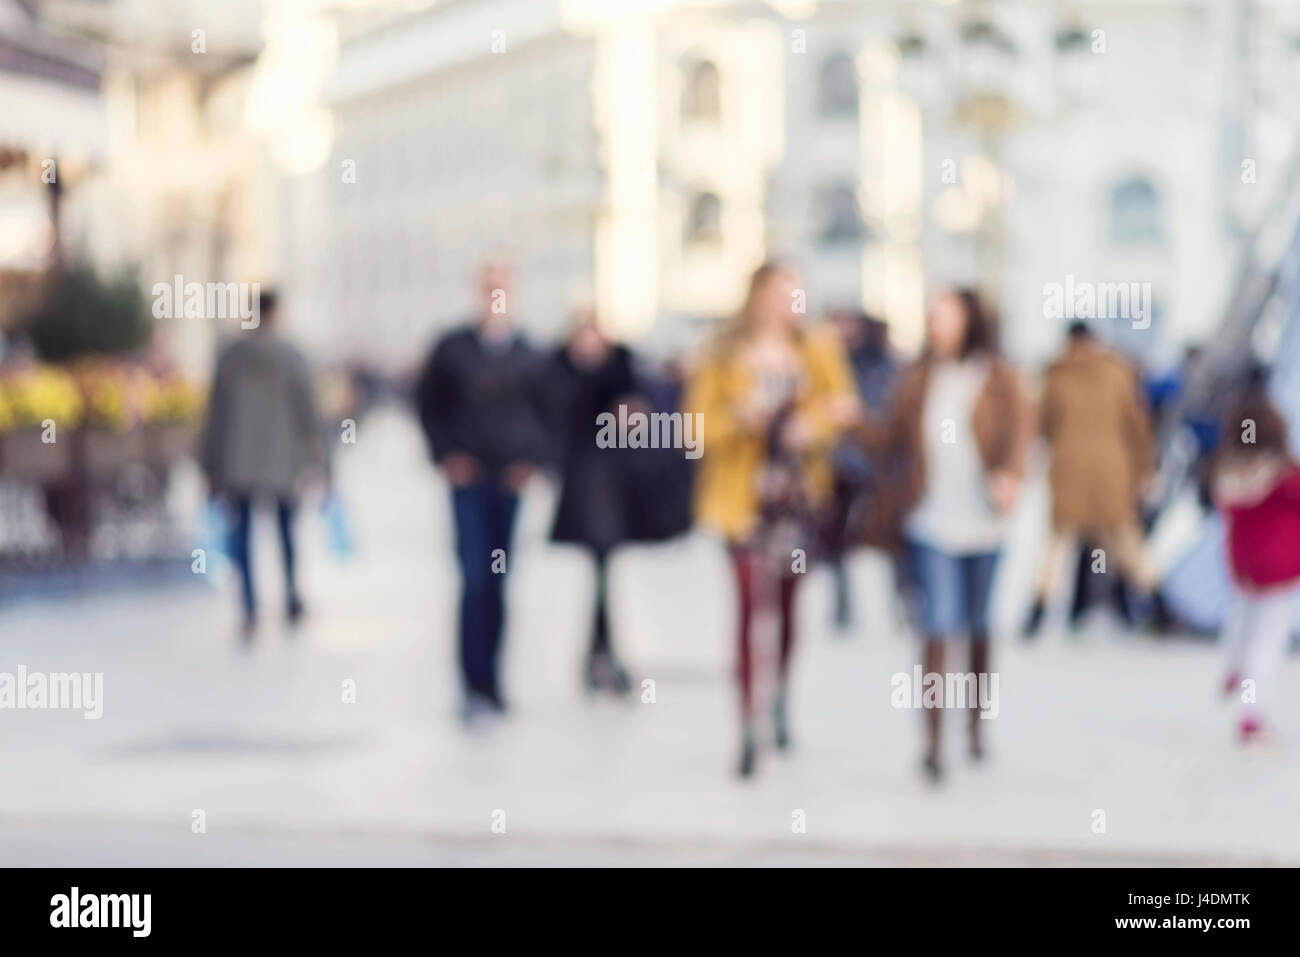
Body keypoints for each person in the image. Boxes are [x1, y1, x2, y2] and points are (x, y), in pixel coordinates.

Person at [683, 262, 858, 778]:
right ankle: (746, 718)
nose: (790, 302)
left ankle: (779, 692)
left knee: (785, 605)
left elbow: (844, 406)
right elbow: (693, 427)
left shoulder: (817, 347)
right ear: (757, 295)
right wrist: (739, 417)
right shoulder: (722, 352)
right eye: (781, 292)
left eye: (796, 293)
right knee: (745, 605)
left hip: (798, 497)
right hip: (742, 498)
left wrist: (813, 425)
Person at [860, 288, 1030, 782]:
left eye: (946, 316)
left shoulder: (1000, 377)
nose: (935, 325)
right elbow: (889, 437)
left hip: (984, 523)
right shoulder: (917, 378)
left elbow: (1021, 434)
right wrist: (852, 422)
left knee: (978, 626)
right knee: (936, 626)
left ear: (969, 320)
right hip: (930, 520)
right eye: (932, 316)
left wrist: (1010, 476)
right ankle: (933, 743)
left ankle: (975, 726)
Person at [414, 261, 549, 721]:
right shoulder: (453, 348)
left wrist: (530, 461)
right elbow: (428, 406)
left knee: (499, 581)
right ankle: (471, 682)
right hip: (469, 481)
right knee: (474, 579)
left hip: (508, 482)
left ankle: (493, 680)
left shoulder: (529, 352)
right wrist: (447, 455)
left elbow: (547, 412)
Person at [201, 289, 325, 639]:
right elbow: (309, 412)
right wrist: (318, 460)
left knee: (242, 535)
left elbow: (215, 414)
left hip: (237, 460)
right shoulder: (291, 355)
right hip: (282, 460)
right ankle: (290, 597)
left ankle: (250, 608)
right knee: (286, 532)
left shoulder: (229, 355)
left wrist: (209, 465)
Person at [1024, 321, 1160, 638]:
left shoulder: (1056, 376)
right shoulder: (1118, 371)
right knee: (1126, 540)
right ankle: (1157, 603)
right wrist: (1144, 469)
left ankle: (1038, 610)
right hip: (1112, 470)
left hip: (1069, 469)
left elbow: (1043, 427)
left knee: (1058, 544)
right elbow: (1137, 426)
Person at [544, 308, 639, 694]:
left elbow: (640, 410)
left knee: (605, 569)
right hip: (580, 481)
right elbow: (555, 415)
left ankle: (602, 654)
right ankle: (598, 655)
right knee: (596, 570)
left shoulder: (620, 365)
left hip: (613, 479)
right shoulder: (560, 368)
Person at [1212, 385, 1300, 744]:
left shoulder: (1226, 473)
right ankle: (1251, 714)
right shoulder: (1286, 477)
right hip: (1278, 569)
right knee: (1266, 642)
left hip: (1243, 565)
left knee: (1241, 620)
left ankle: (1233, 666)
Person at [825, 310, 900, 630]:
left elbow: (886, 415)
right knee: (838, 539)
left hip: (875, 466)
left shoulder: (885, 366)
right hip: (842, 466)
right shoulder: (836, 363)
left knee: (890, 537)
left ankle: (899, 603)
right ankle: (843, 602)